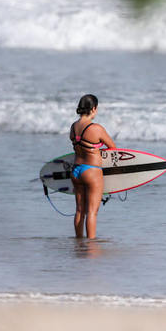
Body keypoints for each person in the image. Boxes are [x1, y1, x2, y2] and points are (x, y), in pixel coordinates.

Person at [68, 94, 117, 239]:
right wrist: (98, 151)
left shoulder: (73, 127)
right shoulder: (96, 128)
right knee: (92, 212)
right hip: (92, 171)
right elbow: (112, 148)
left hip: (76, 170)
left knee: (79, 211)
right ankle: (90, 245)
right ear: (93, 109)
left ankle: (79, 242)